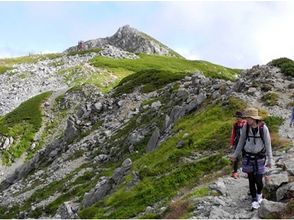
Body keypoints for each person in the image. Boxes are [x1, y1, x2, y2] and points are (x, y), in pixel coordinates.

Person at [230, 107, 272, 210]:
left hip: (260, 157)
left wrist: (270, 160)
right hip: (248, 156)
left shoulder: (263, 128)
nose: (246, 120)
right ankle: (254, 200)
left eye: (248, 118)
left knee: (258, 179)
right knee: (251, 179)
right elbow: (241, 141)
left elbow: (268, 144)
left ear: (254, 118)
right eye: (246, 118)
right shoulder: (245, 127)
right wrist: (235, 155)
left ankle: (259, 194)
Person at [229, 111, 246, 179]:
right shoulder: (235, 125)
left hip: (246, 143)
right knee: (236, 157)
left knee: (246, 156)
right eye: (237, 117)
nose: (237, 118)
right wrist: (232, 143)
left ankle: (247, 171)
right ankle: (235, 172)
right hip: (237, 143)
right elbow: (233, 134)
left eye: (238, 117)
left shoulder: (246, 123)